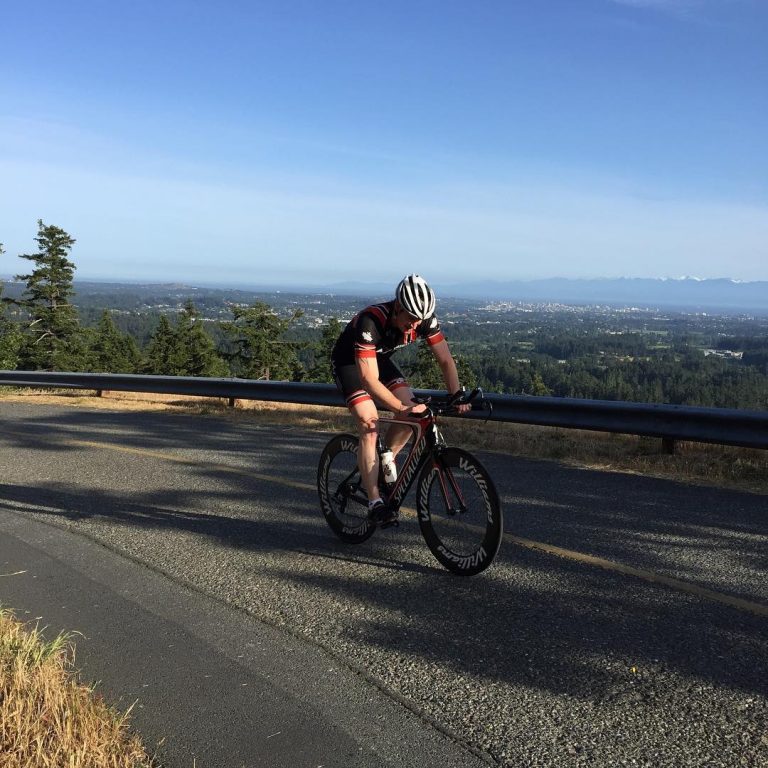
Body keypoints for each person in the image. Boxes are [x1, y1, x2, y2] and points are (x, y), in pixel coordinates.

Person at [331, 274, 471, 524]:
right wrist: (401, 408)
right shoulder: (371, 321)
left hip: (380, 360)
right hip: (350, 363)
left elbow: (446, 360)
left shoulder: (423, 320)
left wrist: (456, 394)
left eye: (419, 322)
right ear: (397, 307)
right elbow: (368, 380)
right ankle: (375, 502)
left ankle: (386, 460)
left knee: (412, 412)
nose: (414, 327)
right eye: (410, 320)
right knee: (369, 421)